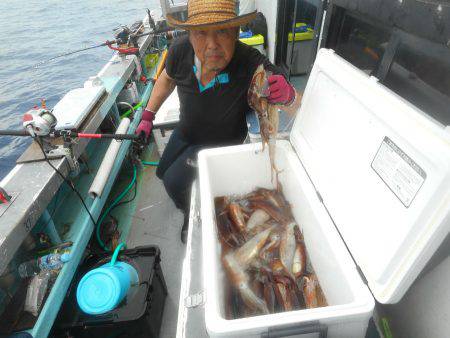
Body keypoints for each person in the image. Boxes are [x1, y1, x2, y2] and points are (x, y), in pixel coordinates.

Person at [136, 0, 301, 243]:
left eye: (222, 31)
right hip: (186, 131)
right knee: (162, 173)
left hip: (221, 142)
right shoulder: (180, 50)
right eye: (201, 33)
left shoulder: (250, 62)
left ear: (236, 32)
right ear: (189, 35)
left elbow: (299, 106)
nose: (211, 45)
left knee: (174, 181)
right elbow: (167, 79)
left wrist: (289, 96)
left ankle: (192, 215)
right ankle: (188, 207)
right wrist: (148, 115)